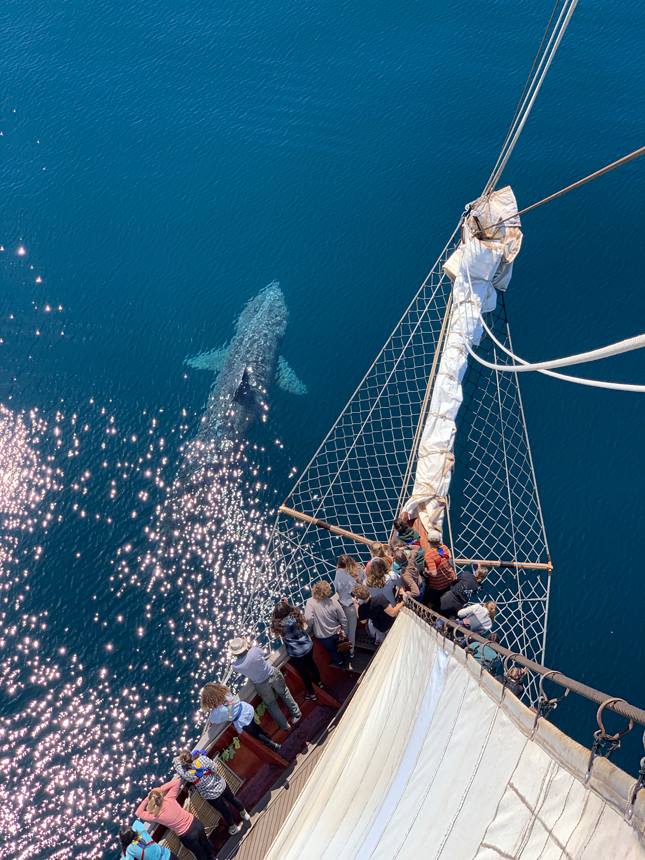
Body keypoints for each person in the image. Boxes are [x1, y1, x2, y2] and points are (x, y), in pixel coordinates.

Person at [229, 637, 301, 733]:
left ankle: (285, 726)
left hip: (261, 685)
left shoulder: (236, 666)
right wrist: (249, 646)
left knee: (272, 704)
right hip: (272, 675)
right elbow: (262, 653)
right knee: (284, 693)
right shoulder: (254, 651)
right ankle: (297, 714)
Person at [173, 747, 250, 836]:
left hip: (211, 795)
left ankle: (233, 828)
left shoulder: (188, 774)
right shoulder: (202, 760)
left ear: (183, 762)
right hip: (220, 785)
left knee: (224, 810)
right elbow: (215, 768)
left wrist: (177, 759)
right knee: (232, 798)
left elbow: (178, 767)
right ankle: (244, 814)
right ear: (191, 755)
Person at [135, 781, 213, 860]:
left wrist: (147, 798)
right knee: (205, 842)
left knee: (199, 851)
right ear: (160, 796)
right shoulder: (169, 798)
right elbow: (177, 782)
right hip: (196, 823)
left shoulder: (155, 816)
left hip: (187, 835)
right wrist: (160, 789)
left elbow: (138, 812)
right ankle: (212, 857)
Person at [200, 682, 281, 752]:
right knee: (255, 725)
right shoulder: (226, 694)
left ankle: (274, 745)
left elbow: (215, 721)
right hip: (246, 709)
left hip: (242, 720)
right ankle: (267, 736)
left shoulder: (217, 712)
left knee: (255, 733)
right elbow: (227, 702)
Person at [270, 601, 323, 700]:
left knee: (303, 674)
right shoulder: (295, 616)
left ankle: (312, 694)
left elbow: (279, 635)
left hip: (296, 653)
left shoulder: (279, 625)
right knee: (311, 663)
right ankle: (320, 683)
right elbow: (293, 610)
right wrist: (287, 603)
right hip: (307, 646)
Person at [305, 580, 349, 669]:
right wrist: (345, 632)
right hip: (336, 632)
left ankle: (341, 665)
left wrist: (311, 625)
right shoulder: (334, 603)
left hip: (322, 636)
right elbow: (343, 619)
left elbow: (309, 618)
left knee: (332, 651)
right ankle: (346, 659)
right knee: (342, 645)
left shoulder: (310, 602)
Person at [333, 555, 365, 657]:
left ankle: (348, 651)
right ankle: (351, 653)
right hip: (357, 604)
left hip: (344, 607)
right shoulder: (359, 570)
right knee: (352, 631)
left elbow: (336, 589)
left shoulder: (338, 573)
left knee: (346, 630)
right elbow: (366, 584)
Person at [423, 531, 456, 609]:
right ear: (439, 539)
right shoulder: (444, 548)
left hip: (438, 585)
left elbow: (434, 573)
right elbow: (449, 557)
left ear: (428, 541)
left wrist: (426, 571)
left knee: (430, 602)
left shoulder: (429, 555)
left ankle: (427, 614)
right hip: (450, 579)